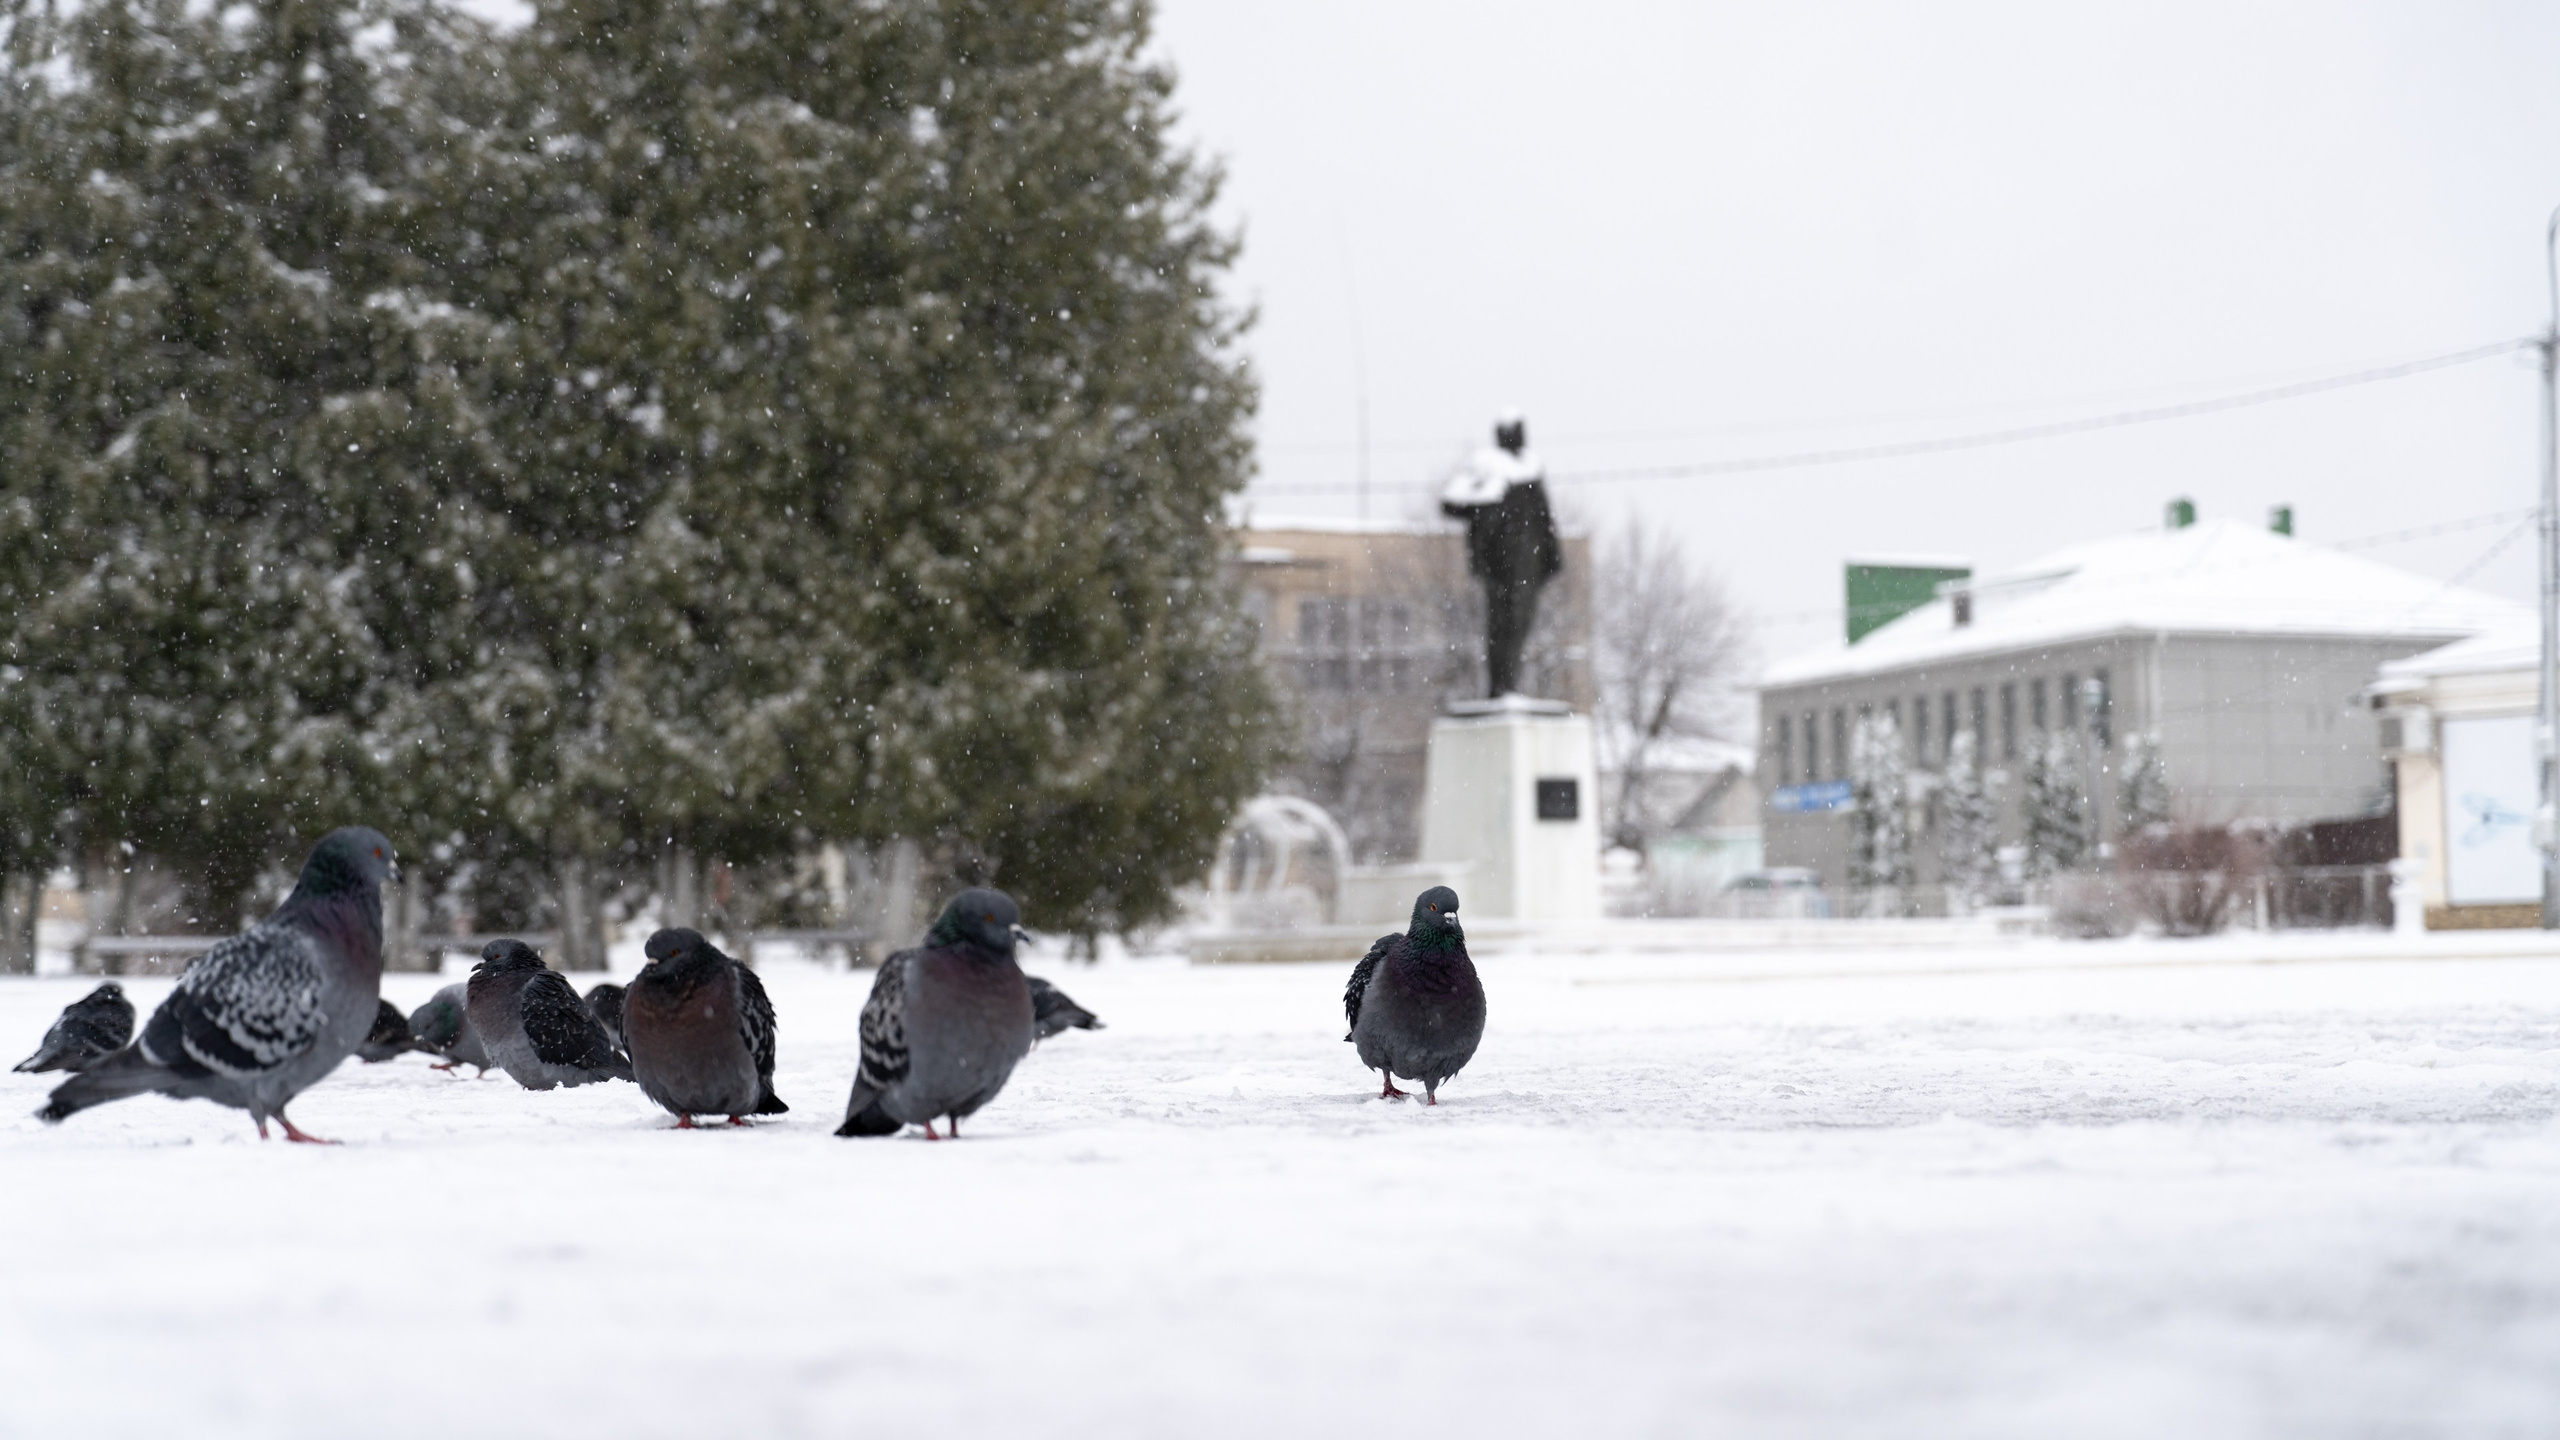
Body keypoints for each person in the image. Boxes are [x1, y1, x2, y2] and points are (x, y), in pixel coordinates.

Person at [1440, 412, 1563, 698]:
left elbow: (1544, 516)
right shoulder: (1486, 466)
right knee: (1501, 626)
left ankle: (1510, 683)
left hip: (1530, 561)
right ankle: (1500, 686)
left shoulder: (1531, 467)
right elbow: (1451, 503)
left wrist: (1552, 556)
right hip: (1499, 560)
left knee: (1521, 625)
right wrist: (1486, 498)